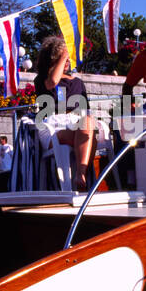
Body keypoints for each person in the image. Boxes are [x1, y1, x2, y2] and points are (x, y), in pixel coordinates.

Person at [34, 35, 94, 191]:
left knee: (88, 124)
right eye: (62, 58)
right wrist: (64, 53)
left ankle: (80, 174)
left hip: (75, 123)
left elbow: (86, 110)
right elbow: (53, 81)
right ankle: (82, 181)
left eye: (68, 58)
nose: (67, 61)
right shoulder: (43, 79)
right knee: (88, 137)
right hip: (52, 124)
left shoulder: (77, 82)